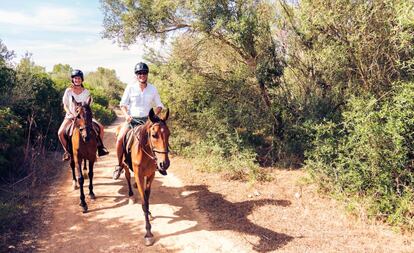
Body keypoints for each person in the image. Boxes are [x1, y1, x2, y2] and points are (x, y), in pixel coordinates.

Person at [113, 62, 164, 180]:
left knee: (159, 138)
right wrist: (126, 115)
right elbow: (123, 104)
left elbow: (159, 105)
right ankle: (119, 165)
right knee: (120, 138)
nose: (142, 75)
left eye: (144, 73)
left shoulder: (153, 88)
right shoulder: (130, 88)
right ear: (136, 75)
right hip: (132, 120)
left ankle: (159, 164)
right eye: (139, 73)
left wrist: (154, 116)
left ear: (147, 74)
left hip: (147, 122)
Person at [57, 69, 109, 161]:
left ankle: (100, 148)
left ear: (82, 79)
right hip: (71, 116)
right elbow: (65, 105)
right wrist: (70, 113)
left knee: (100, 128)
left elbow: (87, 106)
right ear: (72, 79)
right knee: (60, 133)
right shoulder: (68, 91)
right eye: (75, 78)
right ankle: (67, 152)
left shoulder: (86, 92)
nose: (77, 80)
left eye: (79, 78)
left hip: (84, 117)